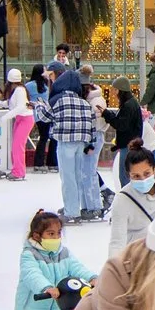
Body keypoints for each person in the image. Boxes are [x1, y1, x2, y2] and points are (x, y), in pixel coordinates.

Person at [49, 67, 106, 222]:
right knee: (78, 176)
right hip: (82, 142)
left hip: (67, 141)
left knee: (70, 177)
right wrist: (90, 143)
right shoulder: (84, 102)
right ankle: (77, 208)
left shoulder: (60, 100)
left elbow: (46, 115)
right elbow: (91, 124)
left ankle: (75, 211)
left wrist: (38, 106)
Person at [105, 143, 155, 256]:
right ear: (128, 175)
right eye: (136, 176)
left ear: (154, 169)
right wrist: (114, 269)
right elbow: (117, 242)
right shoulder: (122, 199)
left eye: (147, 173)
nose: (143, 179)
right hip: (137, 258)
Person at [3, 67, 34, 182]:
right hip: (21, 118)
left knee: (18, 146)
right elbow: (13, 104)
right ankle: (17, 169)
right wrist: (0, 103)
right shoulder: (18, 90)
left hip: (25, 118)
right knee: (16, 145)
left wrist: (7, 116)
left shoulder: (19, 90)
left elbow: (21, 106)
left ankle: (19, 172)